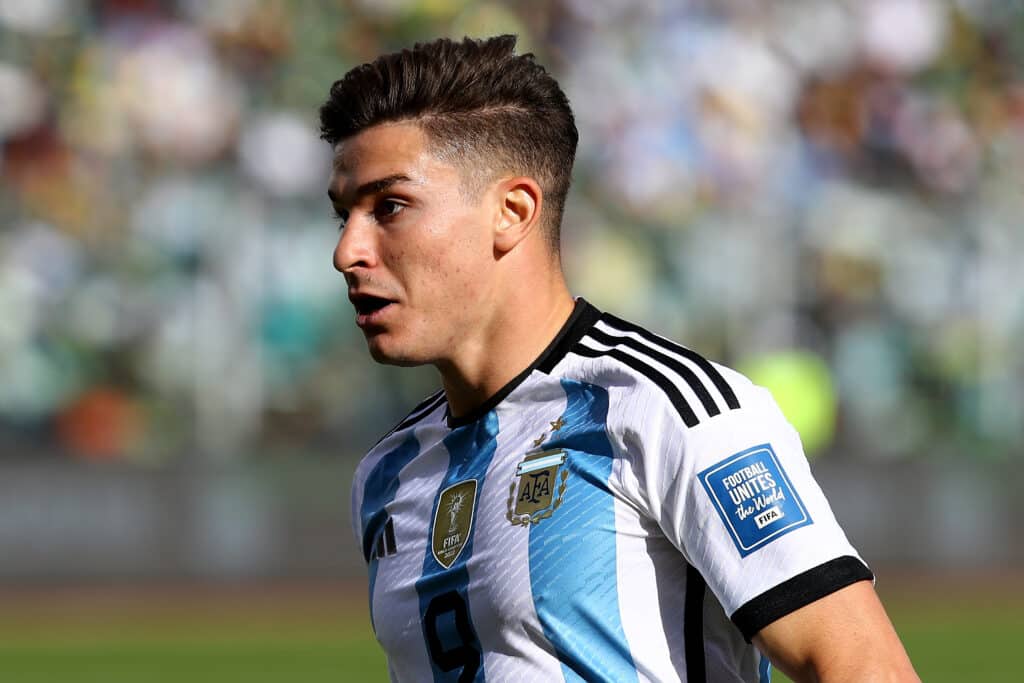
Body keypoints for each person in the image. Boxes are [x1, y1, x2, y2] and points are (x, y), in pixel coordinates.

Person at [320, 35, 919, 683]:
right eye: (343, 214)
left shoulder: (669, 408)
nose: (348, 250)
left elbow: (865, 666)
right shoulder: (387, 473)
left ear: (512, 211)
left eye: (390, 207)